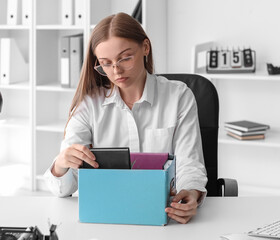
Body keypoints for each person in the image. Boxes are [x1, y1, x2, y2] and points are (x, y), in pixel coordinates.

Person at [44, 12, 207, 224]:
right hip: (107, 216)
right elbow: (65, 189)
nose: (116, 70)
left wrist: (191, 193)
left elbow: (189, 162)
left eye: (125, 58)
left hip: (163, 214)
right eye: (106, 63)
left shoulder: (179, 96)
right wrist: (62, 163)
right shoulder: (89, 105)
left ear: (145, 48)